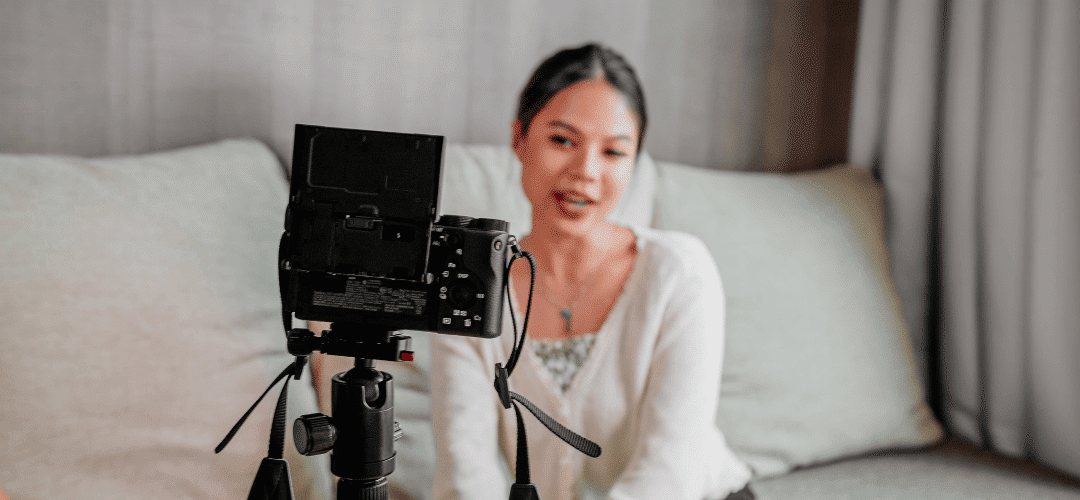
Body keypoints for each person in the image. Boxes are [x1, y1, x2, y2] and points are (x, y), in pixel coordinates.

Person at [431, 43, 755, 500]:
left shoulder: (679, 272)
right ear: (519, 139)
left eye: (613, 153)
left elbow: (668, 474)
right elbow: (466, 476)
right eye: (562, 140)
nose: (585, 172)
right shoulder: (469, 290)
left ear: (635, 162)